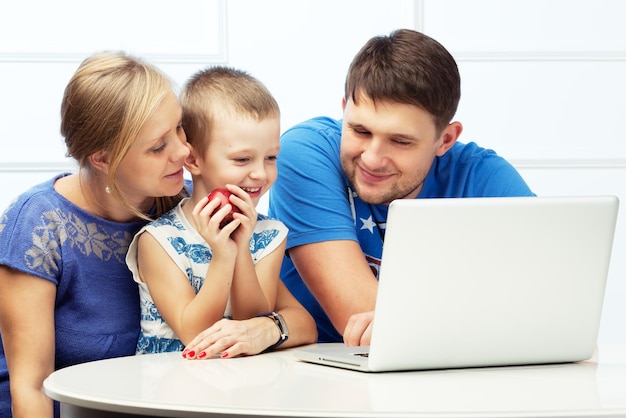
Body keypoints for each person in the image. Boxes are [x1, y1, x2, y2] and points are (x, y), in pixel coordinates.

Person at [268, 29, 536, 346]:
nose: (372, 158)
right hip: (313, 374)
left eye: (400, 141)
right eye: (360, 130)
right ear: (344, 110)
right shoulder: (304, 153)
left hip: (441, 373)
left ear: (445, 139)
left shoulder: (483, 177)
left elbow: (547, 311)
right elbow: (362, 320)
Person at [0, 51, 191, 418]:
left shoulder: (182, 205)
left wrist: (267, 328)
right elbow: (30, 387)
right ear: (102, 159)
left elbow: (288, 313)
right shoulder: (39, 225)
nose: (183, 150)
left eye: (179, 128)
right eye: (158, 146)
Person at [125, 66, 317, 359]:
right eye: (242, 159)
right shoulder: (160, 240)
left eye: (270, 157)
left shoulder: (269, 235)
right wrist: (222, 255)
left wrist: (240, 250)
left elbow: (253, 318)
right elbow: (193, 333)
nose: (260, 173)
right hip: (168, 385)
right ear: (193, 159)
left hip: (239, 384)